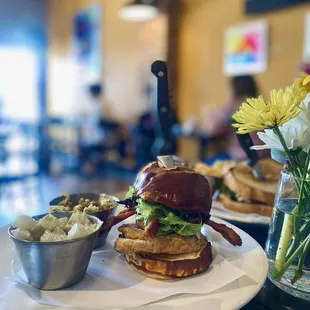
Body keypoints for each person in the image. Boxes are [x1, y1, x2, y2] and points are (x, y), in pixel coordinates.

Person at [205, 75, 268, 162]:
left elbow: (213, 129)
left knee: (204, 164)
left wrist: (212, 115)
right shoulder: (264, 105)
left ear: (234, 89)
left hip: (241, 157)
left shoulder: (235, 106)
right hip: (265, 157)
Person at [79, 83, 105, 175]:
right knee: (92, 154)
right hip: (92, 134)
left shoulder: (95, 104)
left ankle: (92, 170)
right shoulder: (96, 104)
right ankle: (91, 170)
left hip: (92, 135)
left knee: (92, 154)